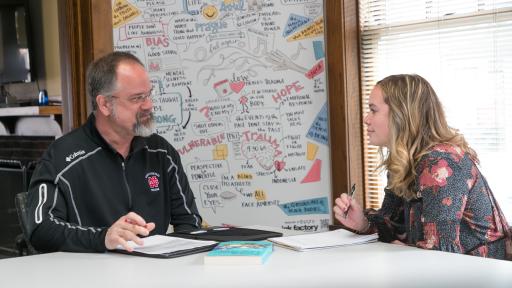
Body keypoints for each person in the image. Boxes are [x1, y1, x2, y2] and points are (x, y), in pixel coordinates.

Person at [27, 51, 202, 253]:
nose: (149, 105)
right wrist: (103, 238)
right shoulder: (62, 156)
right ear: (104, 104)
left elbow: (189, 221)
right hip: (89, 277)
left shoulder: (161, 152)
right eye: (137, 98)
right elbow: (40, 229)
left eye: (149, 94)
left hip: (154, 276)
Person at [334, 74, 511, 260]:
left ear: (401, 115)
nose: (366, 119)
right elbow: (393, 226)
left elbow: (441, 255)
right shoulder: (403, 161)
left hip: (479, 274)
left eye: (373, 110)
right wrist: (362, 223)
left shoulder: (440, 164)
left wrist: (401, 249)